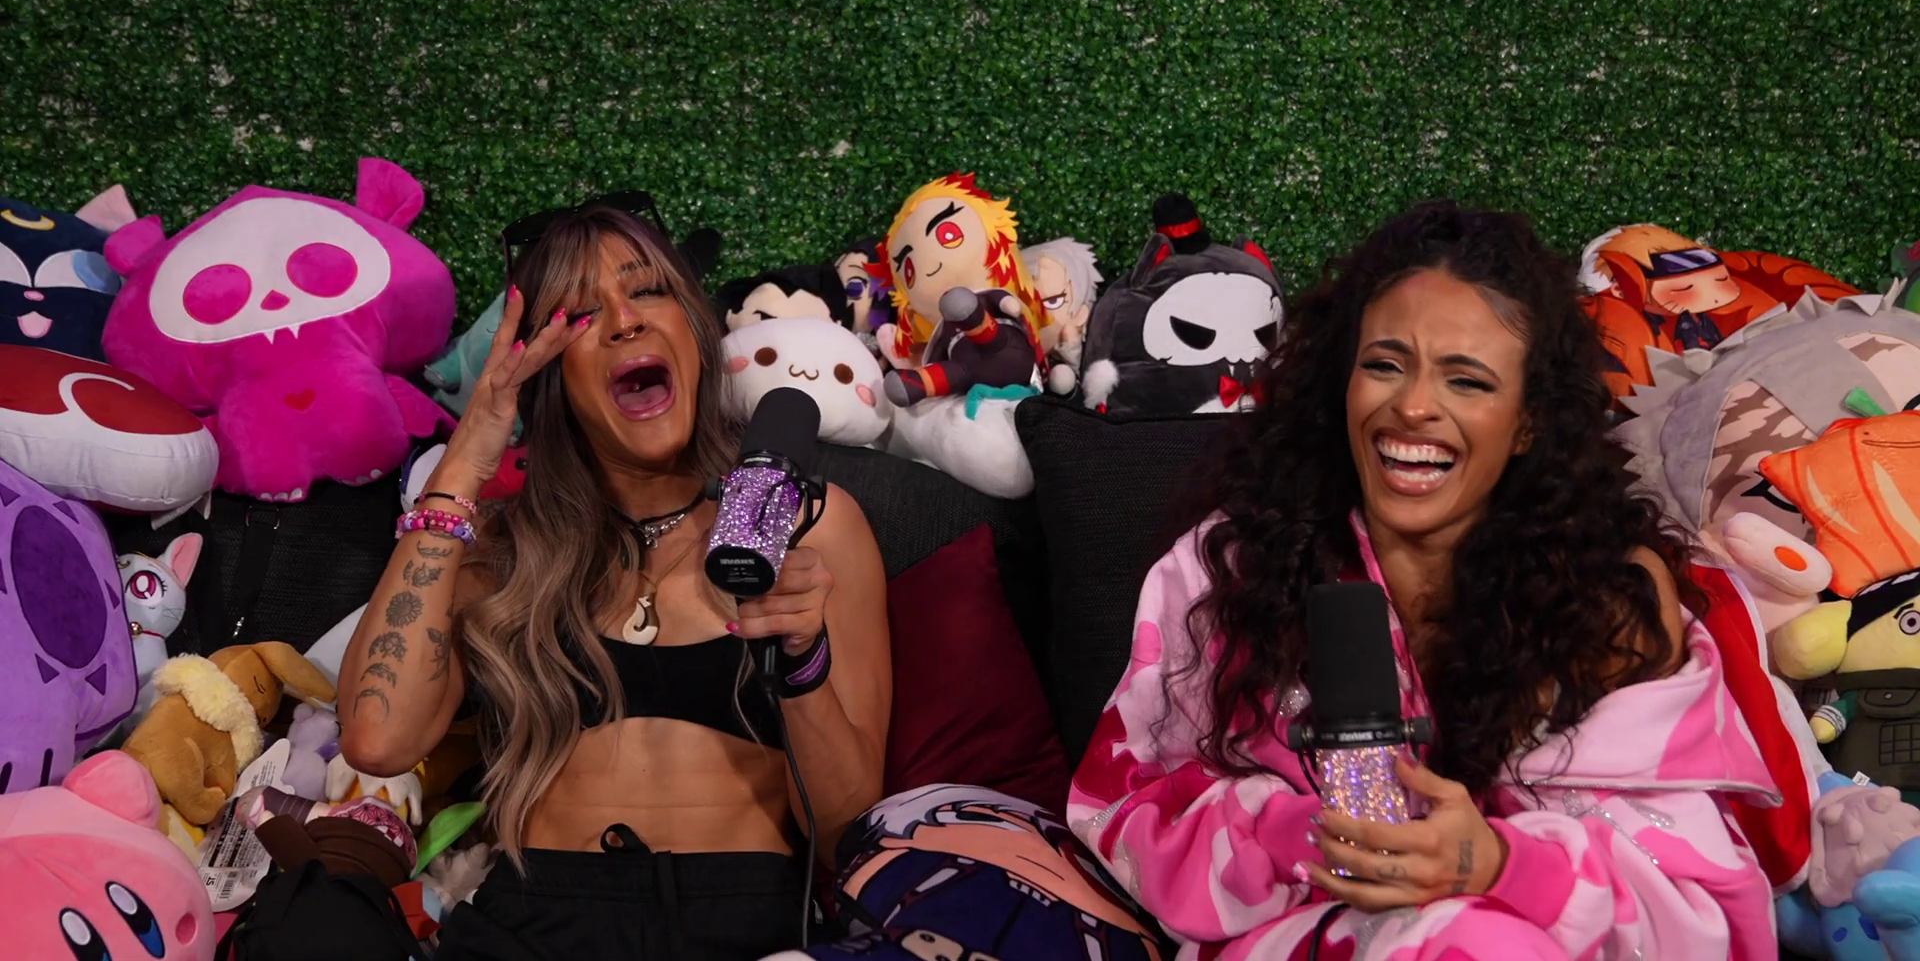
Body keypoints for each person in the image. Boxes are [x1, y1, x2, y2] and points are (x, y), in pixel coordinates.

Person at [1066, 201, 1778, 960]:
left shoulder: (1605, 598)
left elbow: (1699, 912)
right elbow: (1120, 810)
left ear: (1528, 422)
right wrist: (1302, 837)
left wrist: (1499, 866)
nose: (1411, 406)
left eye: (1466, 381)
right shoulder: (1234, 566)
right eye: (1384, 365)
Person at [337, 199, 890, 961]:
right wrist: (466, 458)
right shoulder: (503, 549)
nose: (625, 321)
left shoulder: (804, 525)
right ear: (550, 371)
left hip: (740, 925)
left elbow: (846, 835)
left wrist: (802, 662)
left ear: (694, 331)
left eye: (648, 290)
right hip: (531, 925)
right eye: (583, 313)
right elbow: (375, 740)